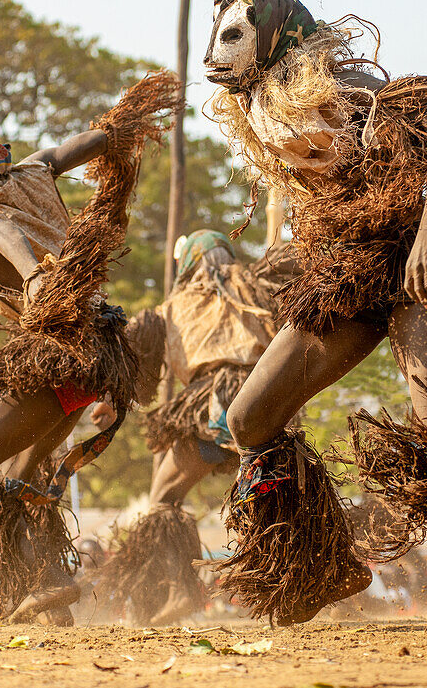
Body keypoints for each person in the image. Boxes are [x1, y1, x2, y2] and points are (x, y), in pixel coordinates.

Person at [203, 0, 427, 628]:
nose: (215, 51)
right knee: (249, 420)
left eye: (234, 36)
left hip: (410, 264)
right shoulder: (259, 111)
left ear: (276, 37)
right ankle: (322, 565)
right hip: (345, 273)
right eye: (218, 34)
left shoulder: (341, 83)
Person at [0, 73, 180, 623]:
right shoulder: (32, 172)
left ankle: (40, 575)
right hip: (97, 356)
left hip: (56, 353)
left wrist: (31, 278)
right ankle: (50, 608)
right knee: (23, 485)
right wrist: (119, 131)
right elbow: (63, 150)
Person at [95, 229, 283, 626]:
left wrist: (109, 400)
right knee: (275, 494)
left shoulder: (169, 309)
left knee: (164, 496)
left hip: (212, 407)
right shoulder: (260, 283)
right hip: (266, 405)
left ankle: (180, 588)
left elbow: (133, 368)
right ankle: (300, 583)